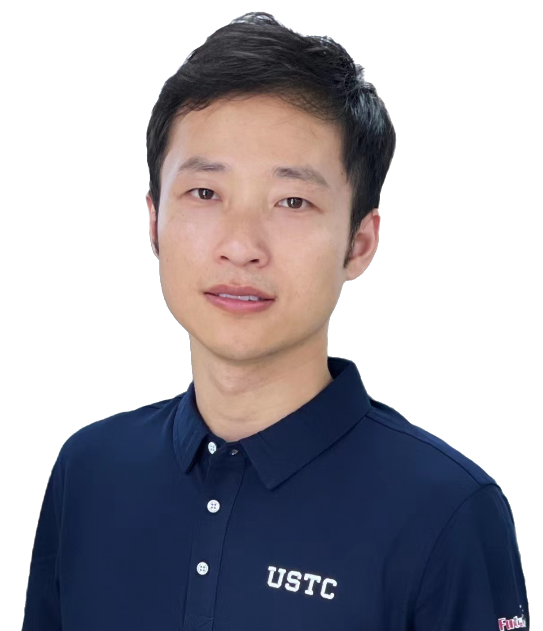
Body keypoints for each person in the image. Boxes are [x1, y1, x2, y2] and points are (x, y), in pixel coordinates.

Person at [22, 11, 529, 631]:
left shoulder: (448, 509)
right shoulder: (88, 471)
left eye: (293, 201)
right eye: (205, 193)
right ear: (153, 222)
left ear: (360, 243)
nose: (241, 246)